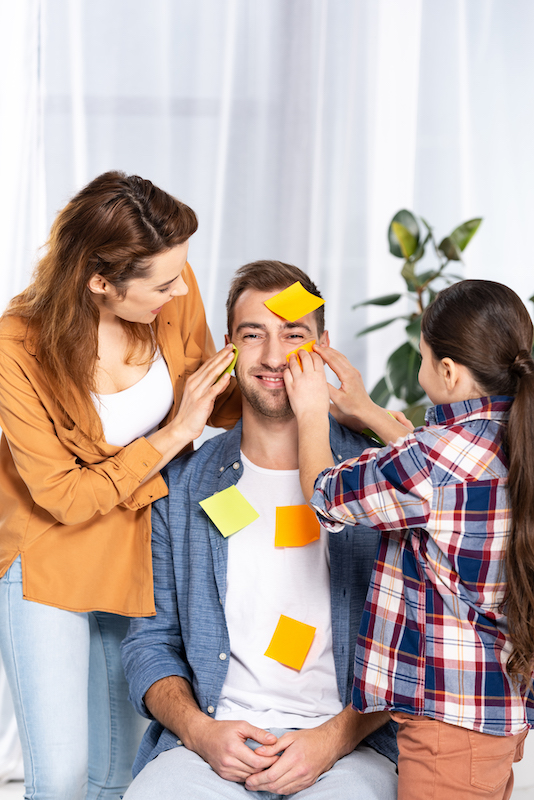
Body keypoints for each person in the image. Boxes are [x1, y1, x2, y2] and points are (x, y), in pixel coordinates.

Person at [0, 171, 241, 800]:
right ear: (100, 281)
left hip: (138, 544)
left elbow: (218, 403)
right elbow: (63, 495)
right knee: (59, 777)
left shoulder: (172, 295)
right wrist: (173, 433)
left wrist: (274, 344)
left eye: (181, 272)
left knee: (118, 774)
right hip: (48, 552)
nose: (181, 287)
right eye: (162, 282)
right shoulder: (17, 344)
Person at [121, 260, 398, 799]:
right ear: (228, 347)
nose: (274, 357)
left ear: (321, 347)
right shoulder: (180, 486)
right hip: (209, 746)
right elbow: (149, 645)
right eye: (254, 335)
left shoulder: (375, 481)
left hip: (345, 750)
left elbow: (415, 640)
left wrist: (333, 738)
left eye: (293, 335)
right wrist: (201, 733)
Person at [283, 279, 534, 800]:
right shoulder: (515, 436)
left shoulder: (432, 463)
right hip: (494, 713)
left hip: (448, 731)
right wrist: (370, 413)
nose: (419, 373)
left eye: (422, 359)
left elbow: (326, 493)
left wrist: (310, 412)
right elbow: (450, 480)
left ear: (448, 371)